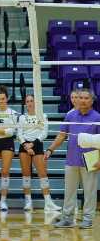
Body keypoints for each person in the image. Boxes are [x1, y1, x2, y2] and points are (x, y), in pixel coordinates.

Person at [46, 88, 100, 229]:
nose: (82, 100)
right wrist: (50, 149)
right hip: (71, 159)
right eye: (80, 98)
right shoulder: (70, 116)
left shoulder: (97, 117)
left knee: (90, 191)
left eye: (86, 98)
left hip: (91, 159)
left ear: (92, 101)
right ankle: (68, 218)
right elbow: (62, 135)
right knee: (69, 191)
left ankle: (88, 219)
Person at [17, 94, 62, 211]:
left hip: (37, 145)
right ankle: (28, 202)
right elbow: (19, 134)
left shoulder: (43, 116)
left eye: (32, 101)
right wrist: (26, 146)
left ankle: (48, 202)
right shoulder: (22, 118)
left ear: (36, 103)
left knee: (43, 174)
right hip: (24, 146)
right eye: (27, 101)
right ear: (25, 104)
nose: (30, 103)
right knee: (26, 174)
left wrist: (32, 144)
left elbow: (44, 133)